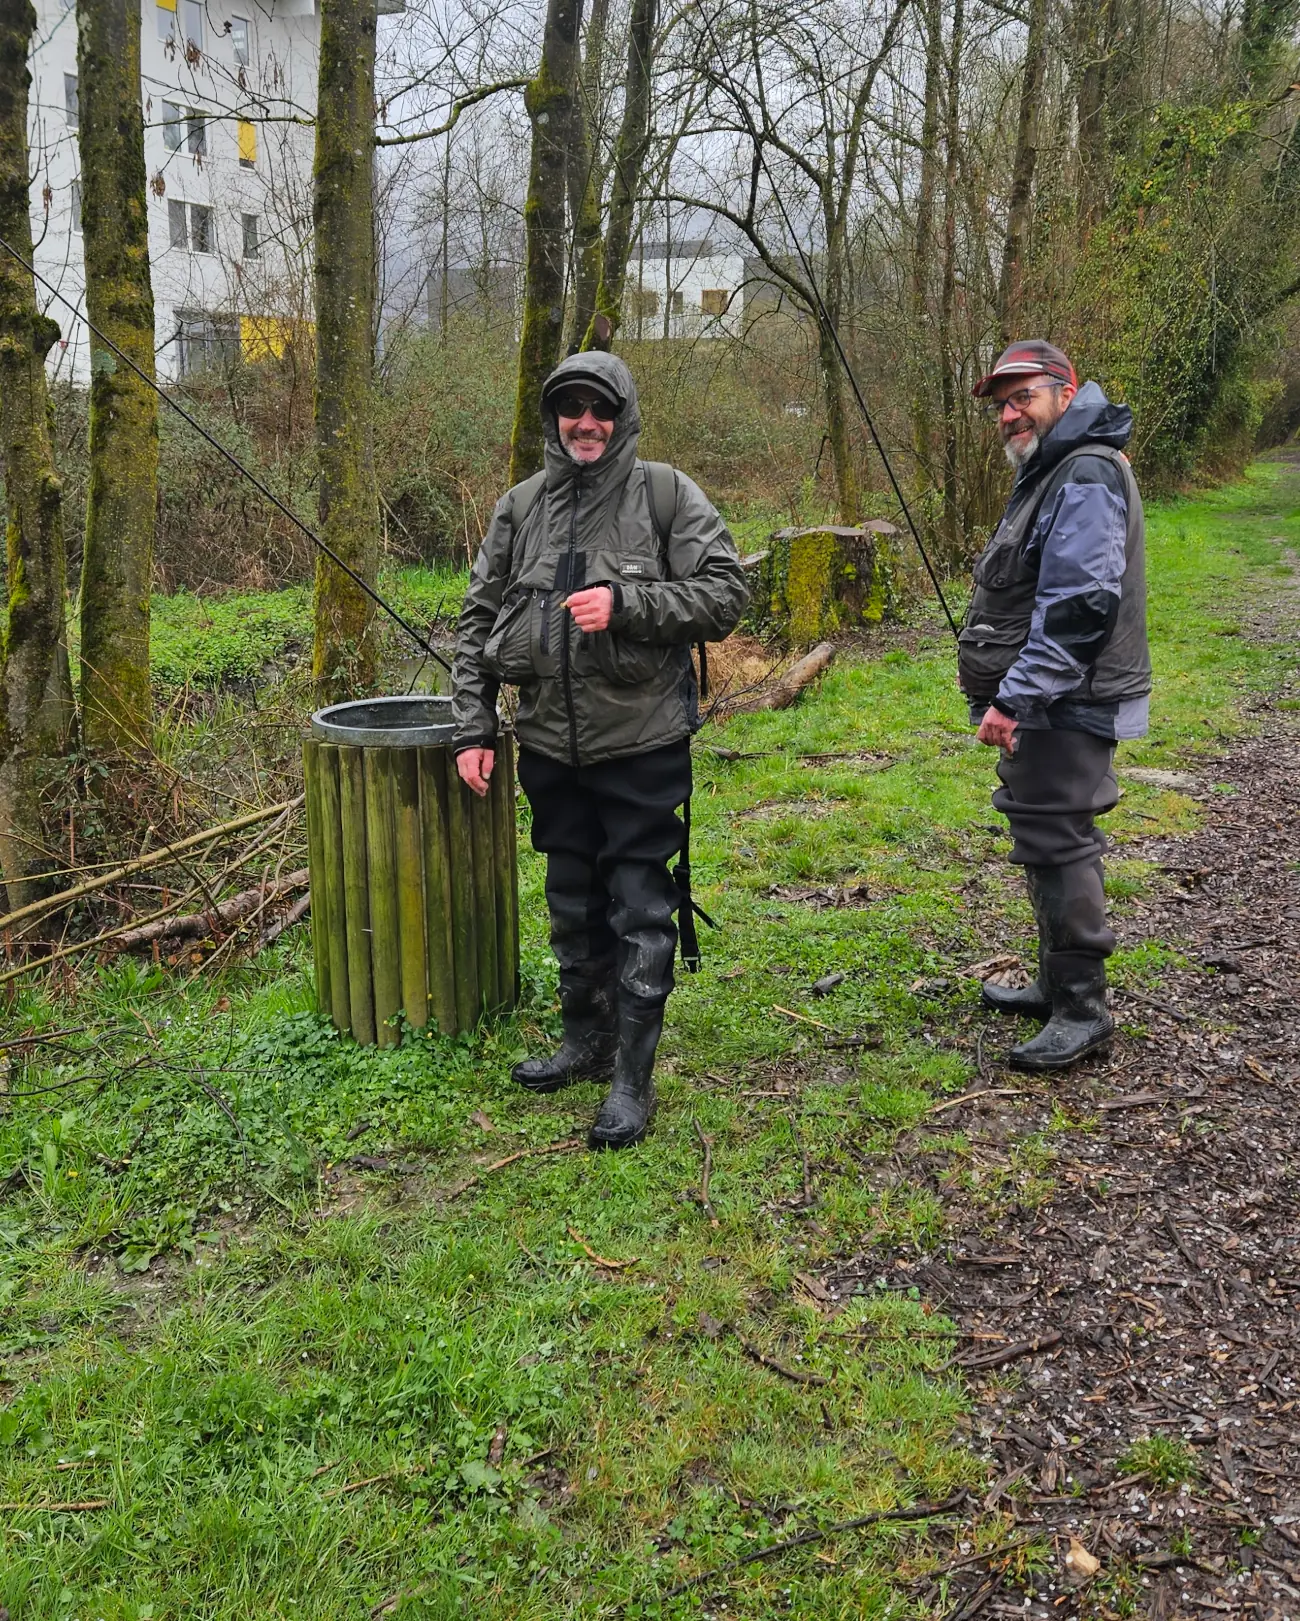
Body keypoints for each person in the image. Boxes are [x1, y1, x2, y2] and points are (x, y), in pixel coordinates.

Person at [451, 351, 749, 1148]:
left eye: (601, 409)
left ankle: (631, 1078)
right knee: (572, 900)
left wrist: (627, 603)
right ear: (554, 418)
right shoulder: (520, 507)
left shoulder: (666, 494)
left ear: (623, 416)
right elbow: (476, 620)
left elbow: (727, 594)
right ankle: (585, 1039)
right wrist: (473, 725)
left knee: (641, 905)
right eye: (571, 408)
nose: (586, 423)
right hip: (549, 745)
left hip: (641, 742)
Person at [961, 340, 1151, 1070]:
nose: (1010, 414)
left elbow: (1078, 606)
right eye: (1002, 404)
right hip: (1053, 693)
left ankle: (1082, 1008)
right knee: (1042, 830)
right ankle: (1054, 982)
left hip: (1069, 696)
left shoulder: (1085, 470)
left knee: (1060, 837)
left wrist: (1015, 698)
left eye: (1024, 397)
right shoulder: (1055, 465)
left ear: (1066, 395)